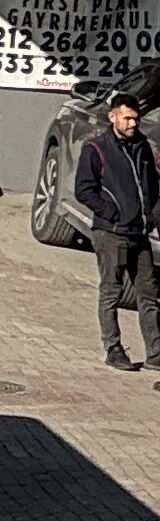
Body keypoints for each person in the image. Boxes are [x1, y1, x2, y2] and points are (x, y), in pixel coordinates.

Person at [81, 94, 158, 370]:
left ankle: (155, 354)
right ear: (112, 116)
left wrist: (152, 217)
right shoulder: (96, 148)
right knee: (111, 292)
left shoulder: (142, 146)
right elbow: (84, 190)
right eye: (127, 118)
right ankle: (113, 348)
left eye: (136, 119)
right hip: (110, 233)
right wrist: (111, 212)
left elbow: (152, 187)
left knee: (148, 295)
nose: (132, 124)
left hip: (139, 233)